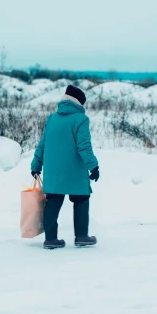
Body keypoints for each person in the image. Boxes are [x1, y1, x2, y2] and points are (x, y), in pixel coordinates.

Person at [31, 85, 100, 249]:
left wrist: (36, 165)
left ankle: (50, 239)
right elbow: (84, 146)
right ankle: (82, 236)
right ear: (79, 103)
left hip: (53, 170)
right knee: (81, 198)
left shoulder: (52, 118)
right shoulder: (81, 119)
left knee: (53, 200)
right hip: (74, 170)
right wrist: (94, 166)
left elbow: (42, 144)